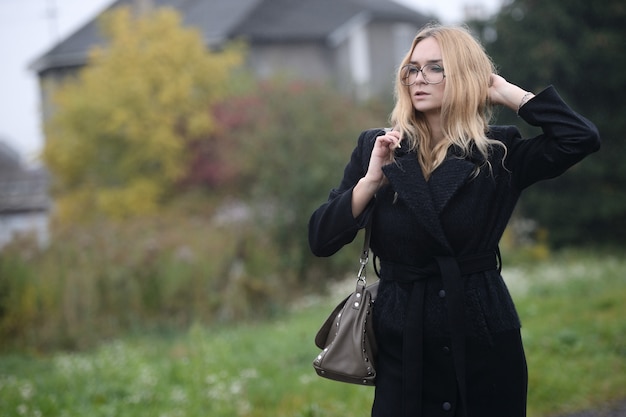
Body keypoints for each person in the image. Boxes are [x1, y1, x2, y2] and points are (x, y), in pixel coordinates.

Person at [308, 24, 600, 417]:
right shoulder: (378, 147)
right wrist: (370, 181)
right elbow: (320, 239)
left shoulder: (499, 150)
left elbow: (579, 137)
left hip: (483, 338)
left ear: (464, 76)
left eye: (435, 68)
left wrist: (506, 92)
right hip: (403, 343)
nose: (418, 79)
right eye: (412, 69)